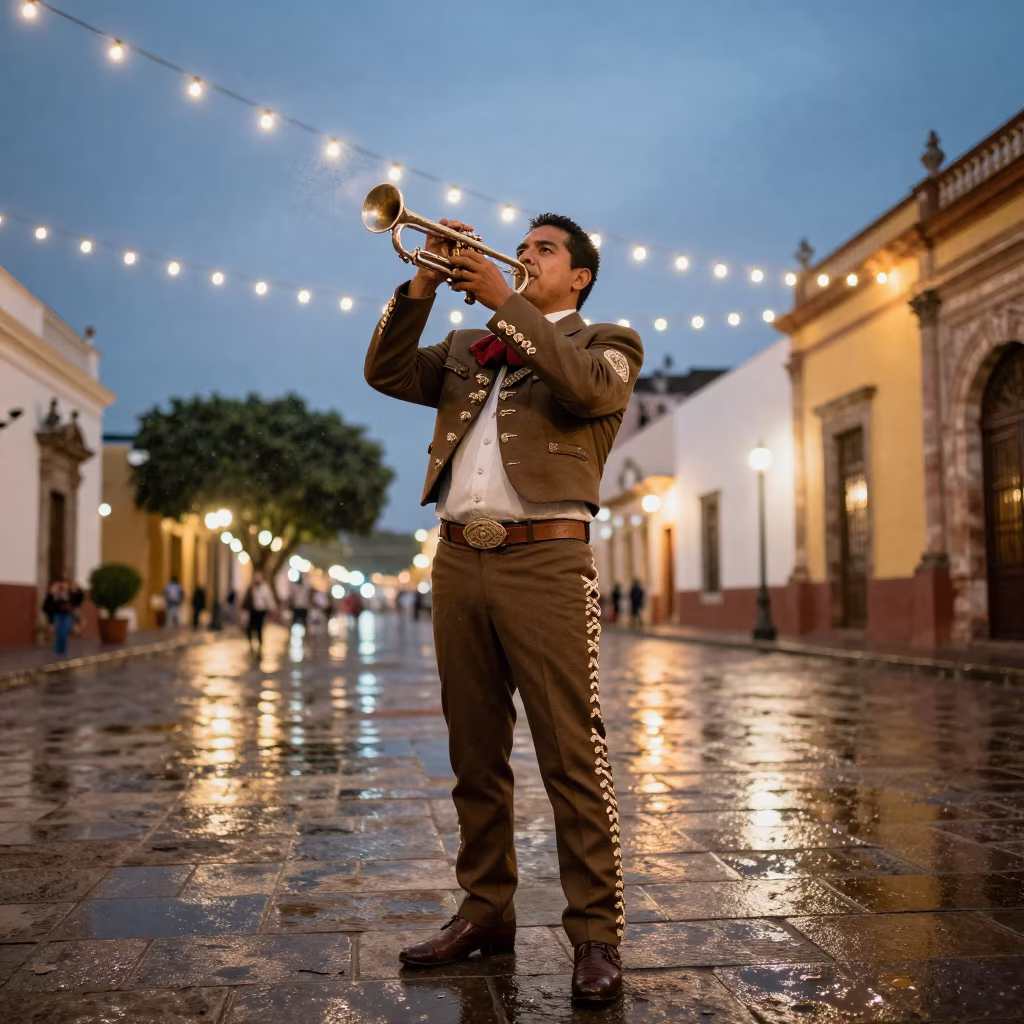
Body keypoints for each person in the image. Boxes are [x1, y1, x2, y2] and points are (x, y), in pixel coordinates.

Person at [364, 210, 643, 1006]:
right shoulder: (466, 350)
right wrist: (422, 281)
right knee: (473, 752)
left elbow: (584, 389)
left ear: (579, 276)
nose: (522, 259)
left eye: (542, 252)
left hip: (548, 561)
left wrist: (503, 303)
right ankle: (487, 913)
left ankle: (595, 936)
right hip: (458, 558)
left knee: (570, 754)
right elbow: (384, 371)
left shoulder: (608, 345)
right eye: (517, 251)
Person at [242, 572, 274, 655]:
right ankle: (251, 644)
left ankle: (260, 645)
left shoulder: (265, 588)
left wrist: (271, 609)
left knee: (259, 628)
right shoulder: (251, 588)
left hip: (261, 611)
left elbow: (269, 599)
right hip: (253, 611)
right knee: (250, 628)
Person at [42, 577, 74, 656]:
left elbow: (73, 602)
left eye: (64, 584)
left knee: (65, 634)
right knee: (59, 633)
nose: (62, 585)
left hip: (66, 615)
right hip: (58, 615)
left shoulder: (67, 594)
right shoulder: (53, 594)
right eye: (61, 584)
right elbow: (48, 606)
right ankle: (58, 651)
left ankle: (63, 651)